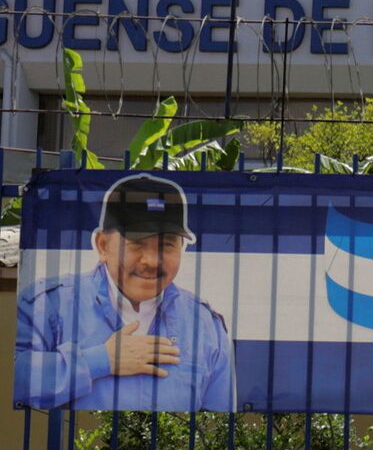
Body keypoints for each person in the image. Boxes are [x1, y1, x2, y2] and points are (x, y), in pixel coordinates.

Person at [15, 174, 235, 412]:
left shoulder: (205, 326)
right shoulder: (49, 305)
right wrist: (99, 361)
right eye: (137, 243)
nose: (151, 260)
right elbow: (16, 379)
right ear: (102, 245)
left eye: (168, 245)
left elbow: (219, 425)